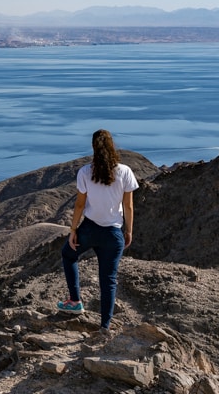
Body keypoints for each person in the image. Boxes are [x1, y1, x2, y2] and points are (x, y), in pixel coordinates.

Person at [58, 129, 138, 333]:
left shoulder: (85, 172)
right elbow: (128, 206)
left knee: (68, 254)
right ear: (112, 146)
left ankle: (75, 301)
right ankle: (105, 327)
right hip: (113, 233)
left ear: (94, 147)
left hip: (90, 228)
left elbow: (79, 205)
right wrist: (128, 231)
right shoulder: (125, 171)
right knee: (108, 280)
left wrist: (73, 230)